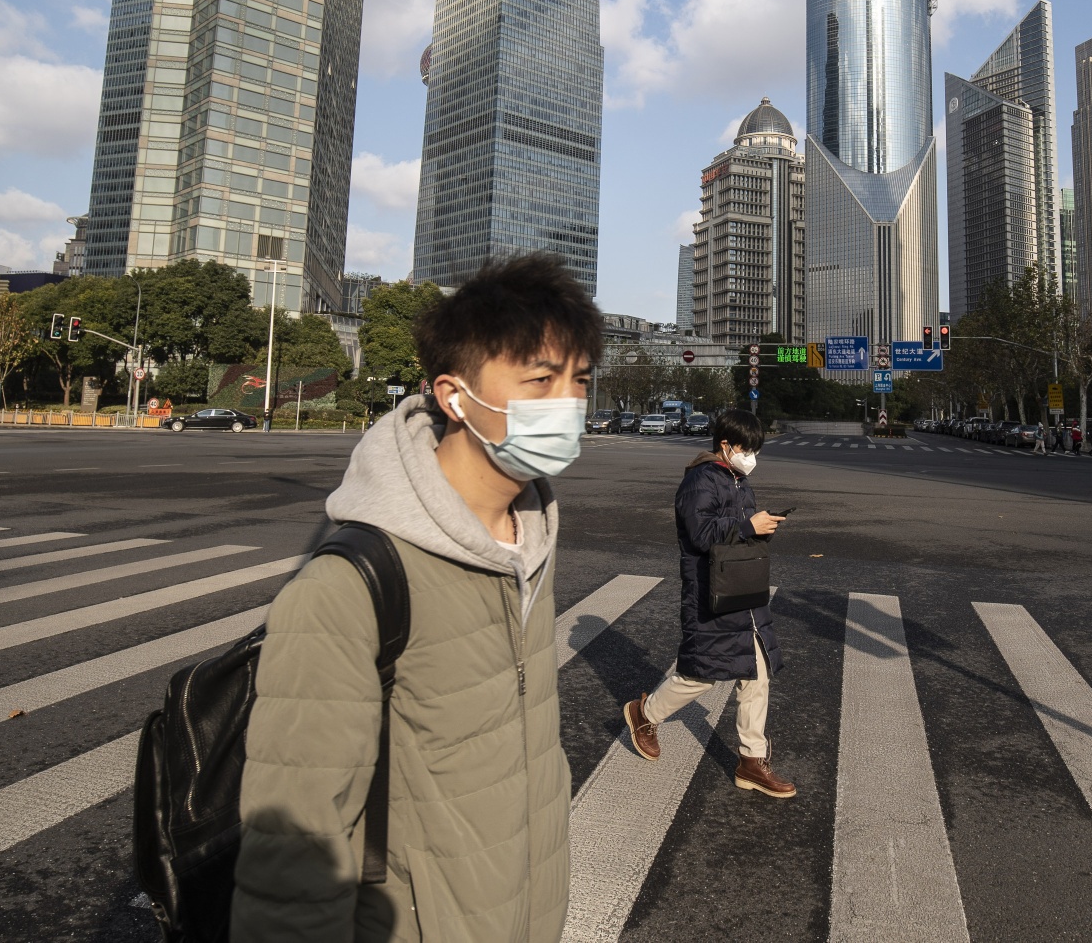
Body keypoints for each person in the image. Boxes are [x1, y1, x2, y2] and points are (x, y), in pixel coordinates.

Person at [231, 253, 602, 942]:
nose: (569, 405)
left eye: (580, 381)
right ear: (455, 396)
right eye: (541, 380)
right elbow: (295, 846)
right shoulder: (349, 586)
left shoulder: (529, 541)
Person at [622, 407, 794, 799]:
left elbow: (735, 532)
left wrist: (762, 529)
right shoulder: (701, 480)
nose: (752, 457)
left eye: (756, 449)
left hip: (742, 590)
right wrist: (748, 526)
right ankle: (643, 714)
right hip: (710, 592)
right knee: (702, 673)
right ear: (726, 445)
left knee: (757, 671)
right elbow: (699, 533)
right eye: (746, 448)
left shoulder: (738, 481)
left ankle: (752, 760)